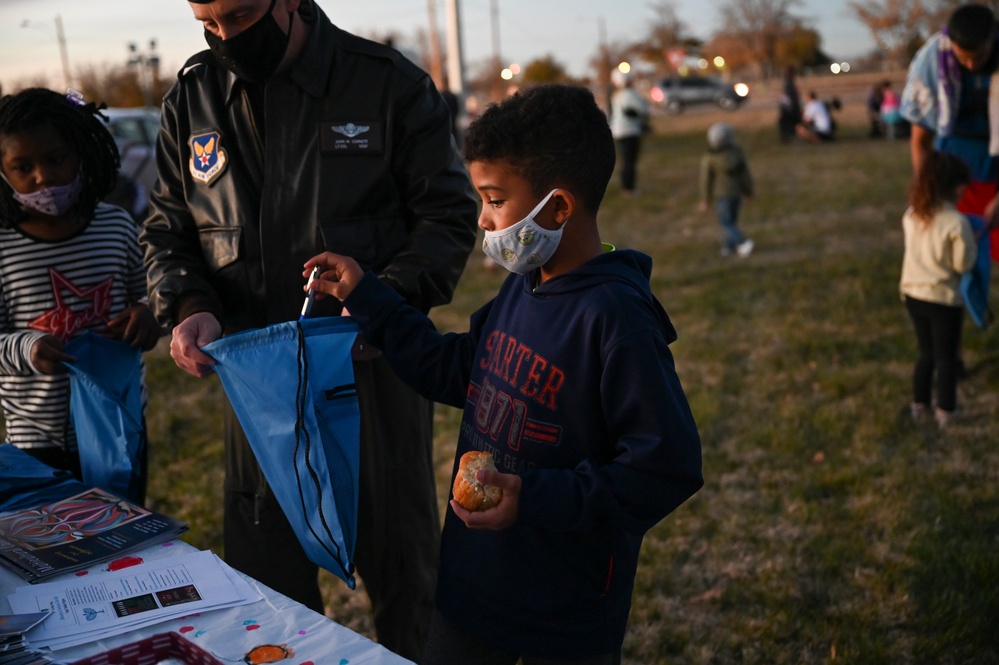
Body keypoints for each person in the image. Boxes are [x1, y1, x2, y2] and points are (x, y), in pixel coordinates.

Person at [303, 83, 703, 664]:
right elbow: (456, 369)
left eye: (494, 199)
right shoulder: (522, 288)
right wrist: (370, 296)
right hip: (471, 589)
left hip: (565, 611)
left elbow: (666, 466)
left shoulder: (616, 319)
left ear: (559, 207)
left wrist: (535, 498)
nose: (484, 219)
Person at [140, 0, 479, 659]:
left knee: (405, 571)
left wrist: (387, 299)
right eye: (206, 22)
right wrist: (186, 305)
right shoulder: (194, 95)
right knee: (265, 589)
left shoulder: (386, 84)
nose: (223, 37)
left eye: (237, 16)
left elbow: (447, 214)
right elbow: (167, 229)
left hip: (371, 370)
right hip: (254, 384)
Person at [0, 88, 160, 491]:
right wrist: (28, 348)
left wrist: (148, 315)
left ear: (80, 152)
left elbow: (149, 297)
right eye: (23, 166)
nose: (43, 177)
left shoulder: (117, 226)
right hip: (38, 442)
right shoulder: (3, 247)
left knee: (125, 539)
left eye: (56, 159)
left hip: (119, 426)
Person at [900, 3, 999, 261]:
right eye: (962, 56)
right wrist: (927, 191)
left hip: (995, 161)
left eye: (978, 56)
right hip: (954, 165)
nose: (970, 63)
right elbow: (920, 140)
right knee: (958, 247)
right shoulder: (932, 60)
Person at [900, 150, 977, 429]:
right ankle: (946, 409)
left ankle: (919, 404)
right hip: (943, 299)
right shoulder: (957, 223)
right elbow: (963, 264)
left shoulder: (912, 215)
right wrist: (973, 245)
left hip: (913, 295)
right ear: (954, 187)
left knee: (926, 353)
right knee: (946, 357)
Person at [699, 122, 754, 258]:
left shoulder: (710, 158)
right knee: (732, 221)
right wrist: (748, 192)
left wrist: (706, 199)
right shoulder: (738, 154)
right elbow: (745, 175)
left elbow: (706, 180)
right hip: (737, 194)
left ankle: (743, 241)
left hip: (722, 195)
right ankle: (729, 247)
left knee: (726, 223)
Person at [608, 69, 650, 197]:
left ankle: (626, 186)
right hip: (629, 131)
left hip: (619, 131)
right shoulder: (628, 94)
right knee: (629, 162)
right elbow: (643, 108)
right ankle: (629, 188)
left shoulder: (617, 94)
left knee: (625, 160)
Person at [778, 66, 802, 144]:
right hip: (790, 107)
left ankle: (788, 137)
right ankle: (787, 137)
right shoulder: (789, 84)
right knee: (788, 123)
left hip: (789, 107)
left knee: (787, 123)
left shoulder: (789, 83)